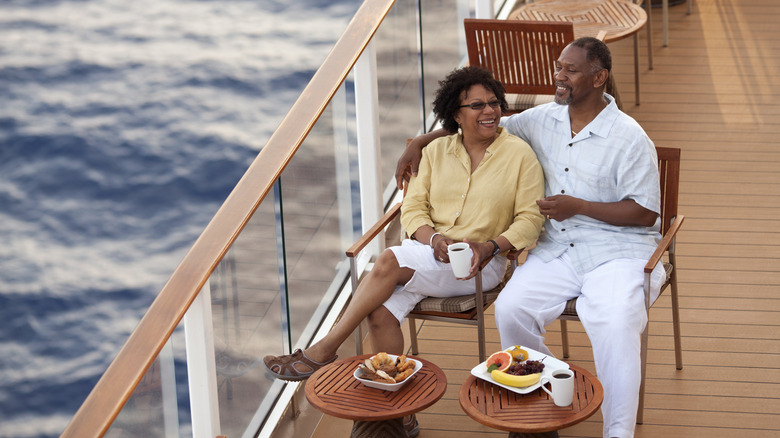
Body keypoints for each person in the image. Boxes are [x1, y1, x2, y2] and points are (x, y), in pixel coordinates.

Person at [395, 38, 664, 438]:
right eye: (559, 67)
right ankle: (547, 399)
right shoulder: (542, 119)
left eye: (570, 70)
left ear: (598, 77)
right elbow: (480, 125)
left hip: (617, 251)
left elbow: (645, 213)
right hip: (557, 249)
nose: (559, 76)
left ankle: (618, 433)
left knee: (615, 321)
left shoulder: (629, 137)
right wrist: (419, 141)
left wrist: (581, 206)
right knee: (511, 310)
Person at [263, 66, 545, 436]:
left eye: (493, 103)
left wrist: (491, 246)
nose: (489, 111)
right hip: (426, 255)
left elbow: (530, 218)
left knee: (388, 260)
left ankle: (323, 351)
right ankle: (401, 411)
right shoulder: (438, 151)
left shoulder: (518, 154)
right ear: (455, 115)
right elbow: (412, 209)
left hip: (479, 264)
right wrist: (434, 240)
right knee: (379, 314)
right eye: (476, 105)